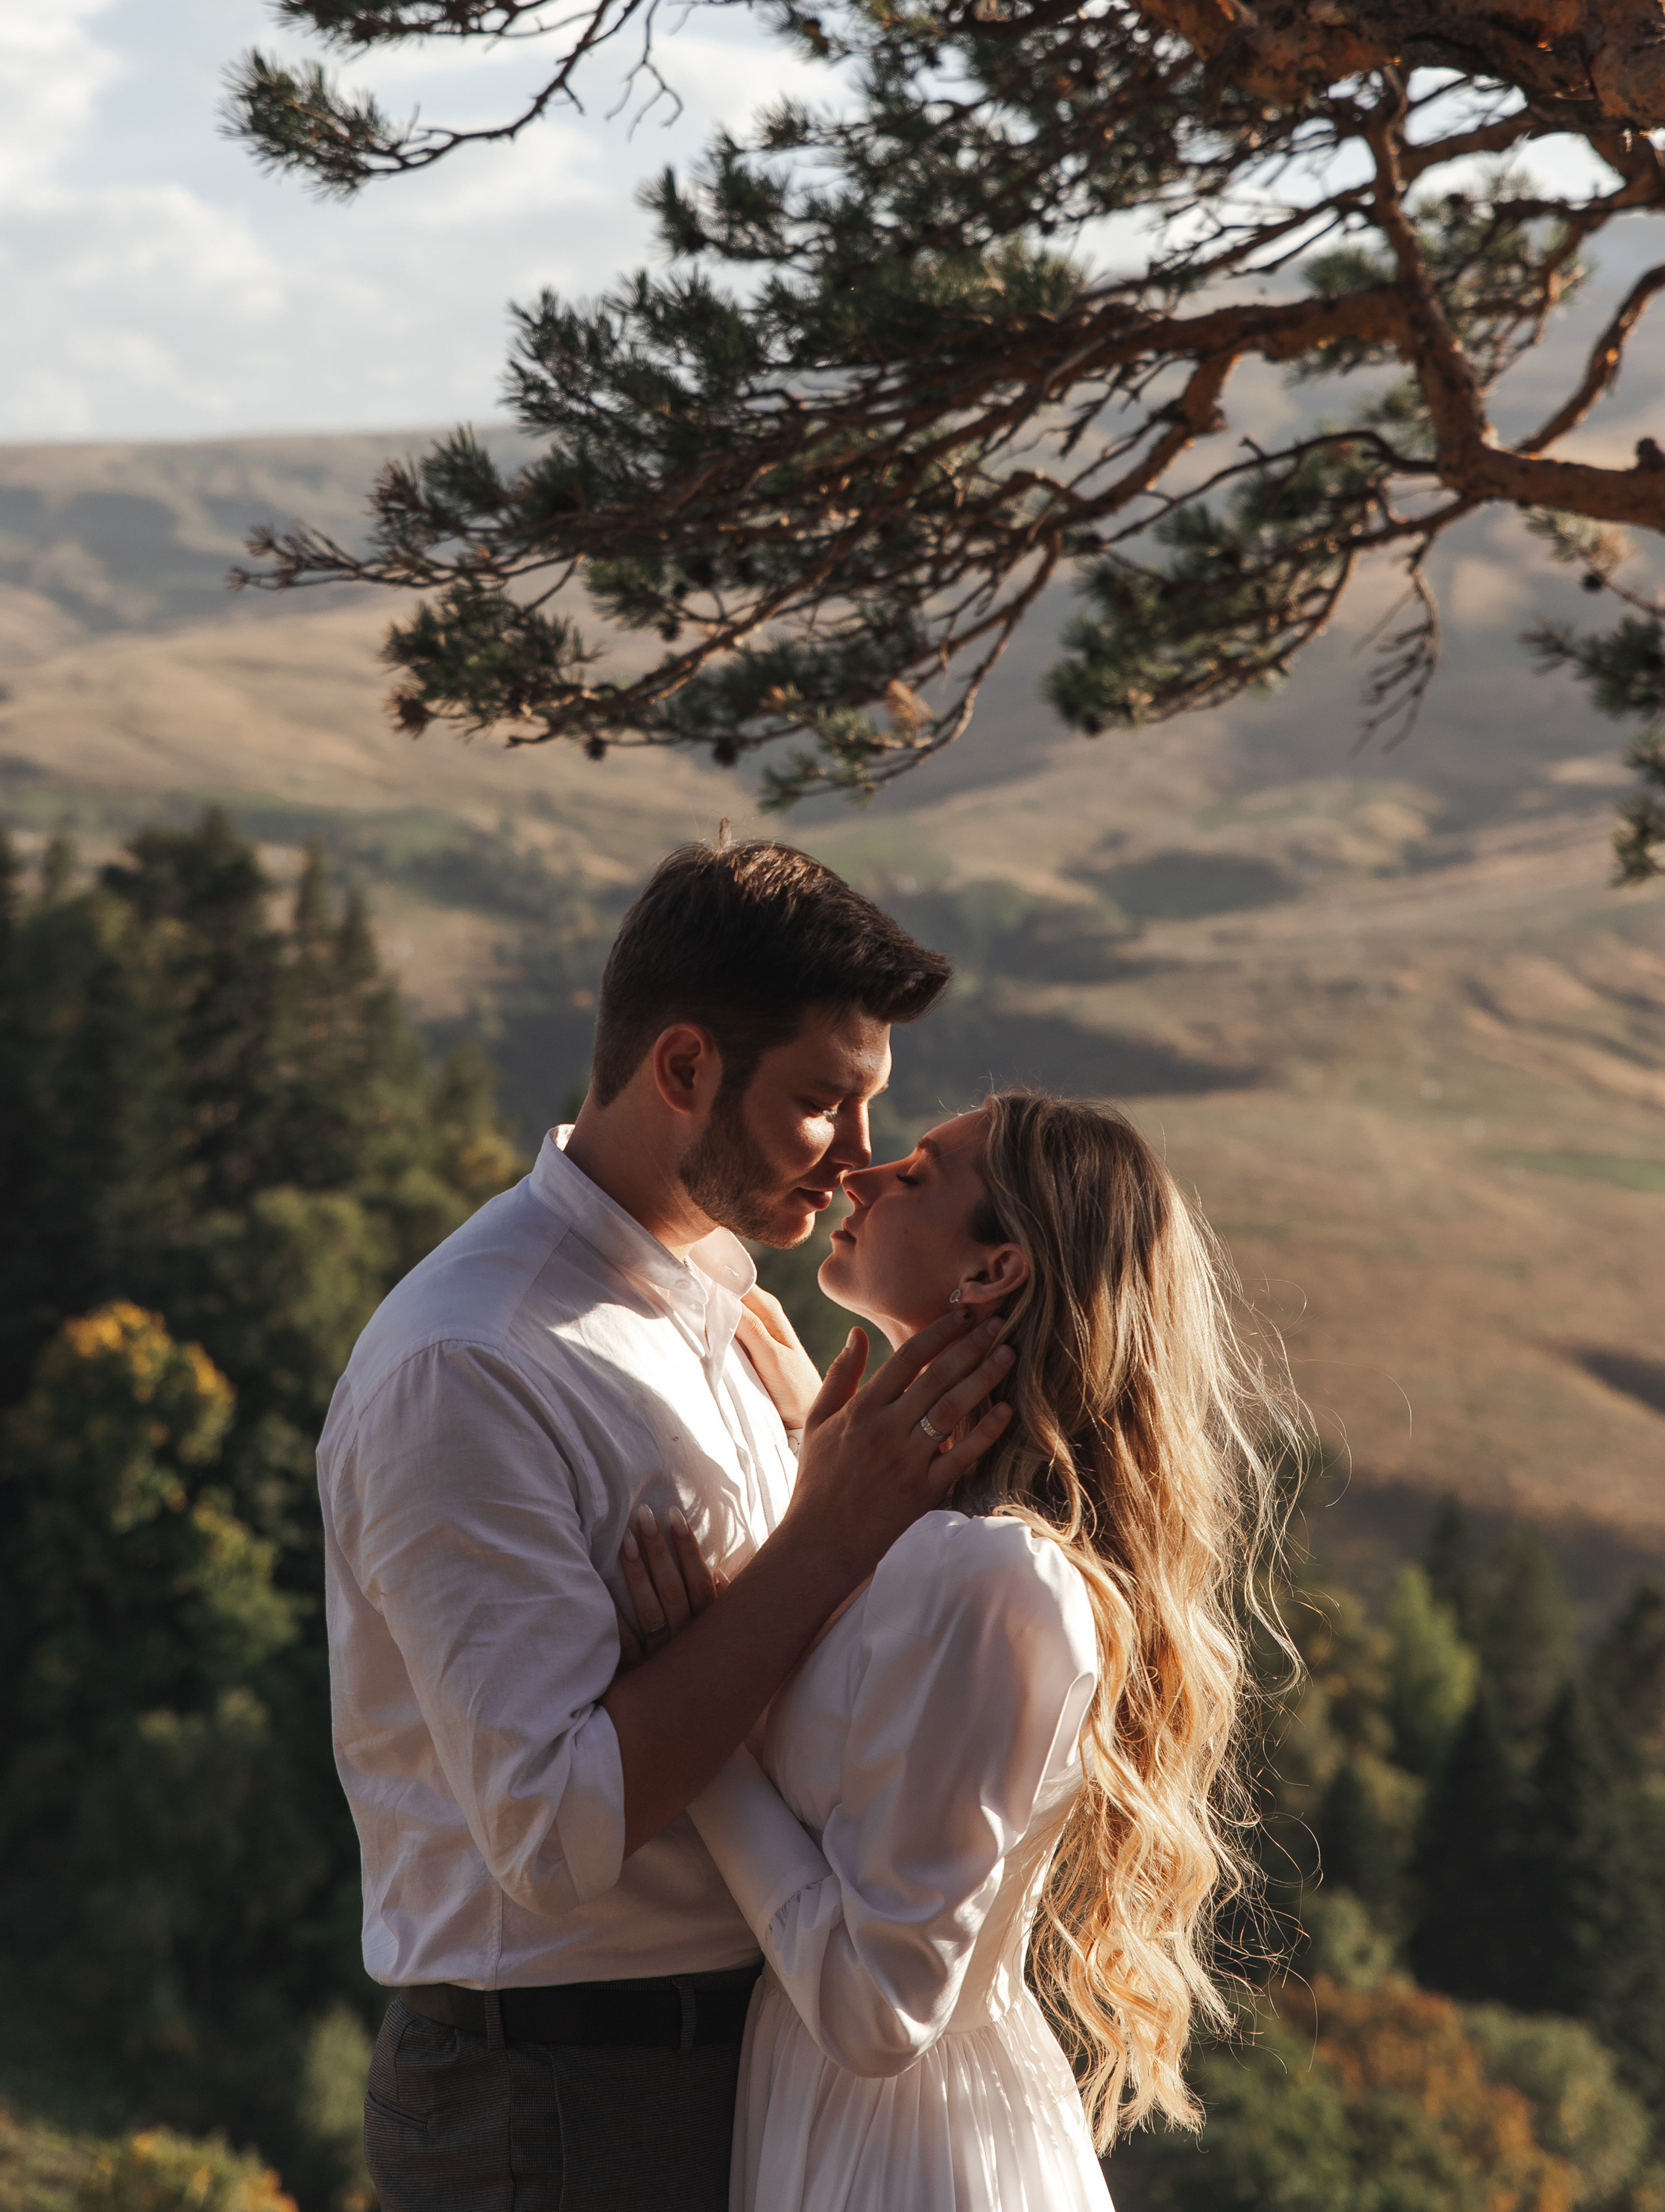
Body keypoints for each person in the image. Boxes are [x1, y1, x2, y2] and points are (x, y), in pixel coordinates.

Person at [317, 838, 1017, 2212]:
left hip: (748, 2065)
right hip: (566, 2104)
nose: (862, 1163)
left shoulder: (728, 1304)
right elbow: (555, 1836)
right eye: (823, 1104)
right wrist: (821, 1547)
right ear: (685, 1068)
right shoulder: (472, 1363)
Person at [617, 1090, 1289, 2212]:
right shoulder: (927, 1548)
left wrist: (705, 1709)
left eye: (919, 1173)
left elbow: (881, 2007)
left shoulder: (989, 1579)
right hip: (855, 2124)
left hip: (900, 2158)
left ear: (993, 1274)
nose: (860, 1175)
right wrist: (813, 1467)